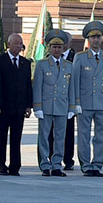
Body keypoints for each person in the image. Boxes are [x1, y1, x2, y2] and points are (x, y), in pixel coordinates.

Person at [72, 20, 103, 177]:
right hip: (85, 103)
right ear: (88, 40)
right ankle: (86, 164)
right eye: (93, 37)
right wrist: (75, 102)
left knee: (101, 136)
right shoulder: (80, 57)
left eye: (98, 37)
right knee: (84, 135)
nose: (96, 40)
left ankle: (97, 164)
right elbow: (75, 82)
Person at [33, 29, 73, 176]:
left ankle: (56, 164)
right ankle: (44, 164)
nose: (56, 49)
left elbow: (72, 88)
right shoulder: (42, 64)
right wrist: (37, 106)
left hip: (62, 106)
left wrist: (72, 106)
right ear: (49, 48)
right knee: (44, 136)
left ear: (63, 49)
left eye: (59, 47)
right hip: (46, 105)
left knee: (60, 136)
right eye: (54, 47)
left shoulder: (69, 65)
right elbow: (37, 86)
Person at [0, 33, 32, 176]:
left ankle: (15, 166)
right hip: (2, 108)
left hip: (19, 107)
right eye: (15, 43)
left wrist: (28, 105)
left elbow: (28, 85)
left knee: (16, 138)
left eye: (20, 44)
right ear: (8, 45)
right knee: (0, 138)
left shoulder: (25, 63)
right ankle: (0, 165)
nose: (18, 46)